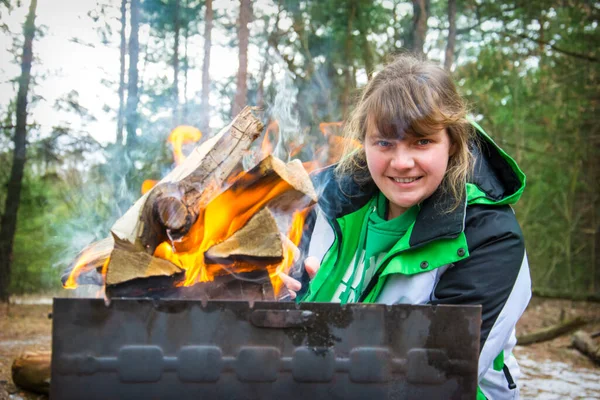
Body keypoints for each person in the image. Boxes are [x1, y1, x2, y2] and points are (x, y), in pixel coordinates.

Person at [280, 55, 531, 399]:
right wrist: (268, 295)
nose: (401, 162)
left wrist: (325, 330)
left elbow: (436, 376)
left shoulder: (490, 237)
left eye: (422, 142)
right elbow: (285, 335)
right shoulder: (326, 207)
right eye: (384, 142)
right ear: (364, 143)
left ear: (453, 143)